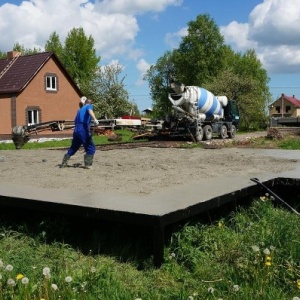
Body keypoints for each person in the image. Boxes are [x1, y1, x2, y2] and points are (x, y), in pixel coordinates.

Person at [60, 97, 99, 169]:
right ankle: (88, 165)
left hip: (77, 129)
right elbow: (90, 111)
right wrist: (95, 119)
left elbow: (75, 121)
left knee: (74, 147)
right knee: (90, 147)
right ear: (91, 104)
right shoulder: (89, 106)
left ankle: (64, 162)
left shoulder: (79, 110)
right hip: (83, 129)